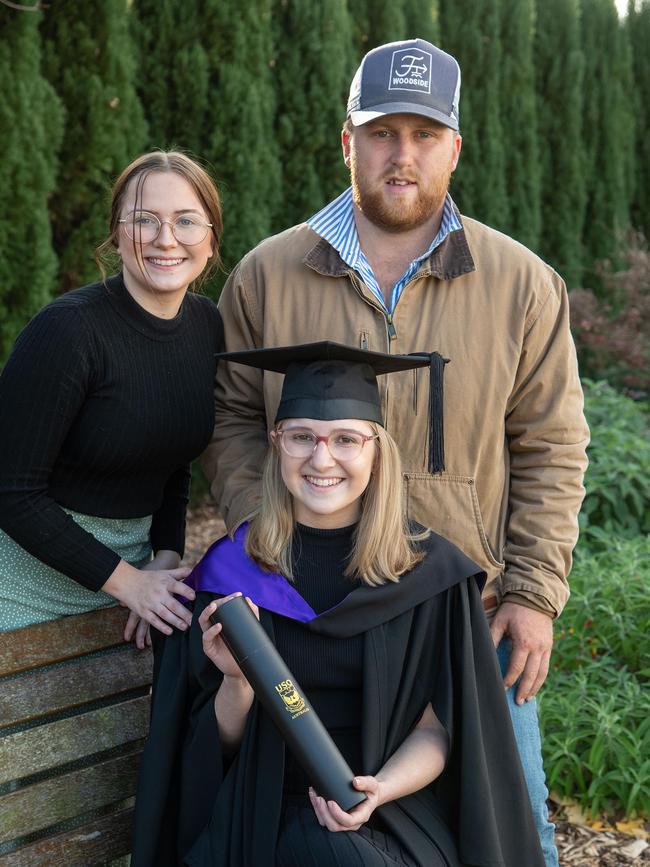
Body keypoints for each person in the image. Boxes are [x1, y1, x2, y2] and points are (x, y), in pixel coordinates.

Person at [204, 40, 590, 865]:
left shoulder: (521, 283)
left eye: (424, 134)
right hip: (309, 621)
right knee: (315, 828)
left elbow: (553, 446)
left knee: (513, 827)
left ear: (455, 147)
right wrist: (264, 545)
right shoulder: (269, 274)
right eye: (383, 133)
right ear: (349, 142)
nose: (402, 154)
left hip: (469, 618)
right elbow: (234, 421)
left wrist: (533, 590)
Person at [132, 342, 545, 867]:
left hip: (395, 804)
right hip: (265, 808)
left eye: (346, 439)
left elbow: (437, 731)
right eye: (301, 436)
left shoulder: (431, 575)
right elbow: (215, 750)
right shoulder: (230, 576)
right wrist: (237, 680)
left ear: (378, 449)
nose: (321, 459)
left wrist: (380, 790)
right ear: (276, 442)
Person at [0, 150, 223, 647]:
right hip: (25, 590)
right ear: (117, 234)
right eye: (145, 220)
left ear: (210, 238)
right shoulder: (67, 331)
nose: (167, 239)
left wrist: (164, 558)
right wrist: (127, 581)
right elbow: (12, 492)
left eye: (187, 221)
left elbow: (173, 460)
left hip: (138, 589)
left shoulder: (207, 325)